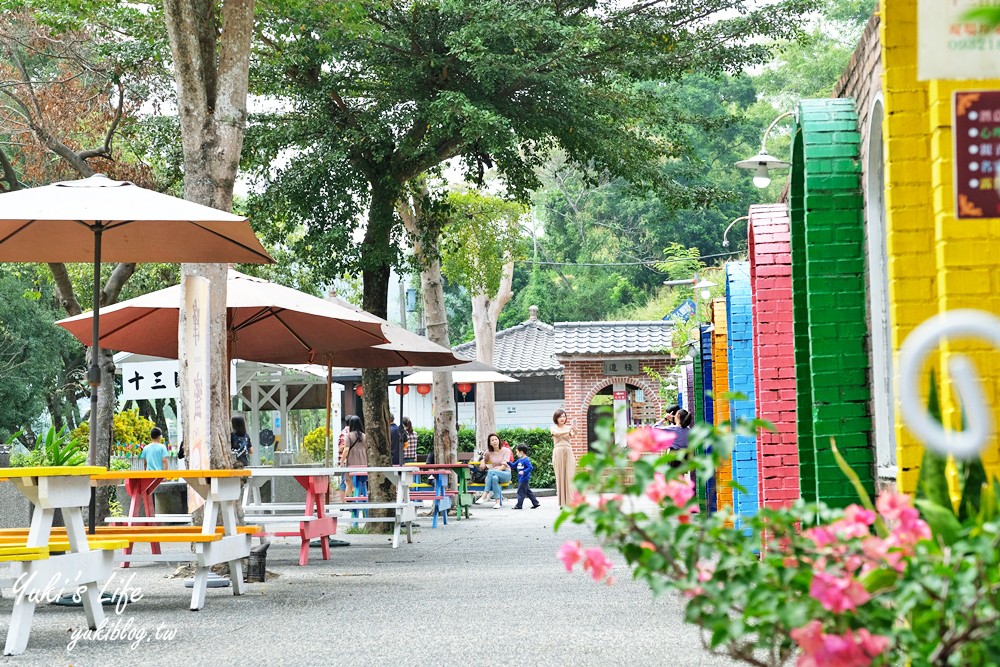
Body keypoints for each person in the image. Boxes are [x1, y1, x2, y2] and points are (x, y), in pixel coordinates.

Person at [475, 433, 511, 509]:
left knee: (491, 472)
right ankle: (497, 502)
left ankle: (484, 495)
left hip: (505, 473)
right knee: (494, 478)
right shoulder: (488, 452)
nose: (494, 441)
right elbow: (484, 458)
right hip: (494, 475)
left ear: (499, 441)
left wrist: (493, 472)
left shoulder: (506, 450)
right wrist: (482, 461)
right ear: (490, 443)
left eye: (496, 439)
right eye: (492, 440)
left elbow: (504, 465)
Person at [550, 409, 577, 507]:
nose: (562, 418)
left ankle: (571, 502)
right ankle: (562, 503)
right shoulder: (553, 428)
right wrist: (568, 431)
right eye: (560, 416)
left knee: (570, 475)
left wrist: (574, 431)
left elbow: (573, 434)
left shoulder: (569, 427)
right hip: (558, 452)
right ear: (556, 418)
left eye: (564, 416)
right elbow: (556, 434)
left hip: (569, 451)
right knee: (560, 476)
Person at [342, 415, 367, 497]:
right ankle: (362, 502)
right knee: (362, 483)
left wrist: (342, 462)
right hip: (363, 462)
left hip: (352, 461)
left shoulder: (348, 436)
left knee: (349, 483)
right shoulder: (364, 436)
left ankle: (350, 503)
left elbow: (346, 450)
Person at [510, 445, 540, 510]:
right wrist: (507, 462)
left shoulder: (526, 460)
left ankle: (519, 505)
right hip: (521, 478)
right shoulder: (519, 460)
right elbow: (513, 465)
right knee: (527, 492)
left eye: (517, 452)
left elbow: (530, 467)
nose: (516, 454)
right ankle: (535, 503)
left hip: (524, 478)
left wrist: (524, 472)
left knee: (520, 492)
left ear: (521, 452)